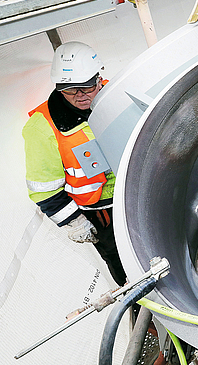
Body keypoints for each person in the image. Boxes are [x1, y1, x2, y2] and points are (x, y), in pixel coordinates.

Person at [22, 42, 126, 286]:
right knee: (123, 262)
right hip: (101, 214)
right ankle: (142, 310)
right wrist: (75, 222)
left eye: (87, 86)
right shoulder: (41, 128)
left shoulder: (119, 93)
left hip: (137, 190)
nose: (80, 95)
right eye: (69, 89)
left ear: (99, 78)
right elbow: (44, 190)